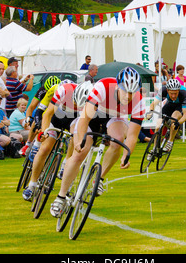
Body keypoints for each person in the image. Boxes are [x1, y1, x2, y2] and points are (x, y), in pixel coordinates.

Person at [50, 67, 146, 217]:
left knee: (119, 140)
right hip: (94, 114)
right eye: (125, 91)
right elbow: (85, 119)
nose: (128, 96)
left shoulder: (139, 101)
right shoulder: (103, 86)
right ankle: (61, 197)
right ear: (117, 85)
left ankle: (99, 178)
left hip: (115, 117)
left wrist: (127, 154)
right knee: (79, 153)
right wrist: (81, 140)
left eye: (132, 92)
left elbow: (132, 135)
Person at [22, 80, 84, 201]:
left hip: (73, 120)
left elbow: (83, 123)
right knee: (45, 148)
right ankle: (32, 185)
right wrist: (44, 132)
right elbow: (47, 114)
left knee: (74, 136)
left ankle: (66, 162)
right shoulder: (61, 91)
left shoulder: (86, 98)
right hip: (56, 118)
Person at [20, 75, 61, 155]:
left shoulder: (61, 91)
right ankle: (28, 144)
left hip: (55, 110)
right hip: (43, 108)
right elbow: (31, 107)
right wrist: (27, 119)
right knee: (36, 122)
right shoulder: (42, 90)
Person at [146, 79, 186, 152]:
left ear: (178, 91)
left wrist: (178, 123)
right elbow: (153, 104)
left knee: (174, 120)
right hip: (169, 104)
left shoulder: (184, 93)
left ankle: (170, 141)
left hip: (179, 106)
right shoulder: (163, 90)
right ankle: (154, 148)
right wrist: (150, 112)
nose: (173, 96)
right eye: (171, 93)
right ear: (167, 90)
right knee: (158, 127)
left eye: (175, 93)